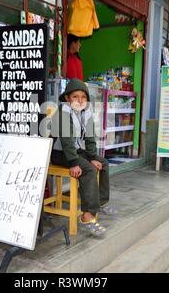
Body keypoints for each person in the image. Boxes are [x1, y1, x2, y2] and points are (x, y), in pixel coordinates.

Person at [50, 79, 115, 236]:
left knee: (103, 163)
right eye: (75, 96)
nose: (80, 100)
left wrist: (93, 156)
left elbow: (90, 137)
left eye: (83, 97)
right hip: (61, 154)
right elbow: (66, 141)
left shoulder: (86, 111)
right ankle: (88, 215)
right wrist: (73, 163)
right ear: (67, 98)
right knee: (88, 170)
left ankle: (101, 201)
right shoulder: (63, 112)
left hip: (76, 151)